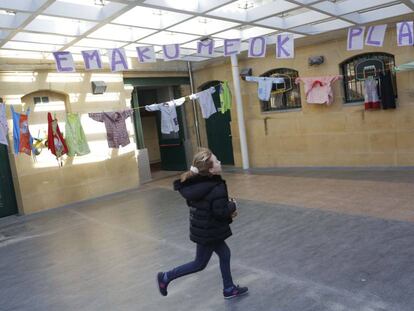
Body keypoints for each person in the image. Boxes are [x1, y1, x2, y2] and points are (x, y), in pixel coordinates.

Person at [157, 148, 248, 299]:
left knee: (225, 254)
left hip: (204, 228)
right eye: (216, 161)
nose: (220, 162)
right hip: (208, 231)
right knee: (199, 264)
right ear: (211, 169)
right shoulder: (215, 187)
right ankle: (165, 277)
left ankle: (229, 288)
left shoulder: (195, 185)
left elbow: (200, 205)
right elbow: (220, 212)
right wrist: (233, 205)